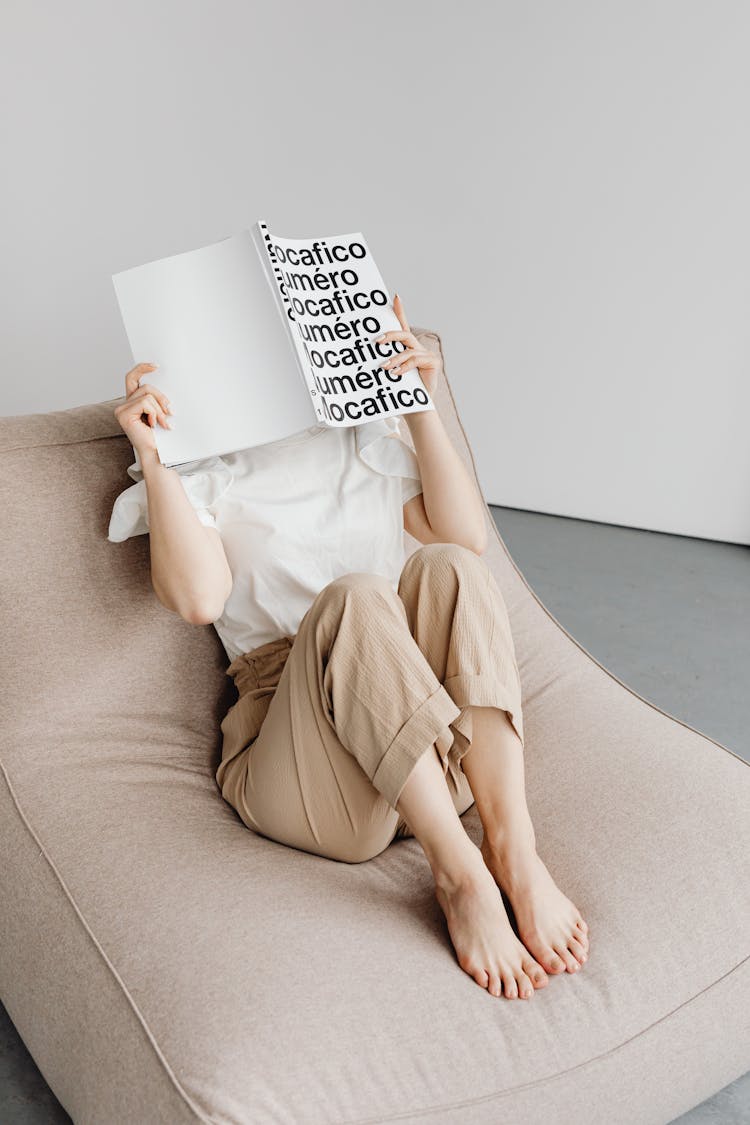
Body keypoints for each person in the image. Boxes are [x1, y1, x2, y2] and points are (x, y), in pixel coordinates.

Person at [108, 294, 589, 1001]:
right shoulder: (204, 472)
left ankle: (513, 849)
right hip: (309, 772)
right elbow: (197, 599)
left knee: (448, 564)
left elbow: (466, 538)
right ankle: (458, 873)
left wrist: (417, 402)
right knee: (359, 597)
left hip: (427, 753)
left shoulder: (358, 442)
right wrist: (157, 459)